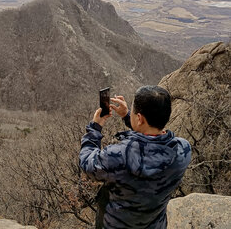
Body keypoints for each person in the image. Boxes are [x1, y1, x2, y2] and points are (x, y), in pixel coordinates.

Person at [79, 86, 191, 229]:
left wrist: (95, 128)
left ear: (139, 118)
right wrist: (127, 116)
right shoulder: (183, 150)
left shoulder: (117, 156)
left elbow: (86, 163)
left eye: (133, 111)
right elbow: (151, 140)